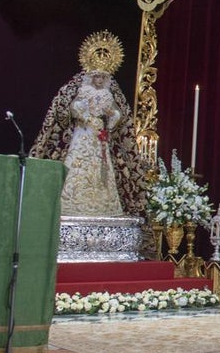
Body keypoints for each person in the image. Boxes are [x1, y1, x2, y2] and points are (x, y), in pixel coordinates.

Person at [31, 31, 147, 217]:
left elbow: (115, 113)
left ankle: (102, 209)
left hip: (100, 136)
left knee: (102, 168)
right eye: (96, 77)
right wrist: (85, 116)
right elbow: (73, 107)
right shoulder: (83, 90)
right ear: (91, 76)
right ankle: (70, 205)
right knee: (78, 164)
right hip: (83, 133)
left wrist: (110, 123)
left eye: (102, 77)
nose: (99, 80)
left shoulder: (108, 95)